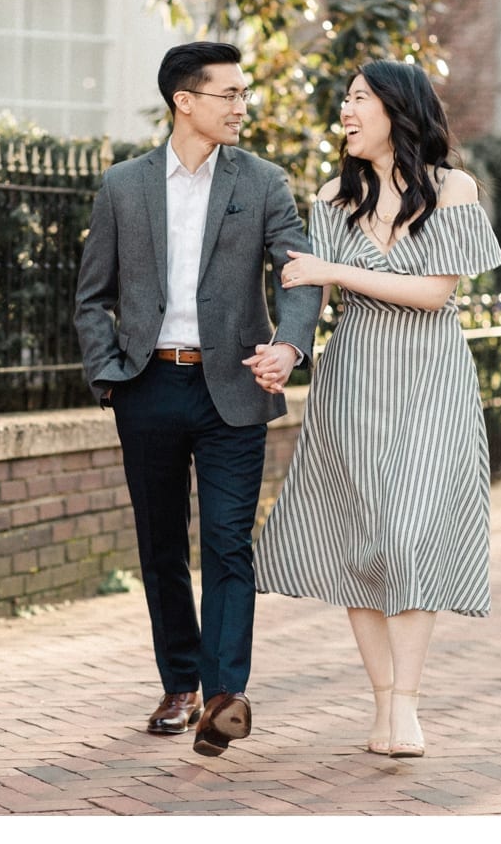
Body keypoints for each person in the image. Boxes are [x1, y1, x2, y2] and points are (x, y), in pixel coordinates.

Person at [74, 41, 321, 757]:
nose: (243, 107)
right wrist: (109, 374)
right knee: (159, 546)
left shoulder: (265, 182)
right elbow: (92, 296)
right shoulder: (124, 186)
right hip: (147, 385)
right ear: (186, 101)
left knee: (225, 544)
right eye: (230, 94)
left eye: (245, 95)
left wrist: (290, 345)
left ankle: (224, 697)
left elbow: (297, 273)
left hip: (233, 389)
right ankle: (179, 684)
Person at [254, 59, 501, 759]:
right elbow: (307, 297)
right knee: (363, 540)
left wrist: (333, 268)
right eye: (344, 99)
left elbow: (432, 294)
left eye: (359, 98)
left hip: (430, 376)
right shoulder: (334, 195)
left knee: (408, 534)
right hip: (355, 376)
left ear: (397, 108)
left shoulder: (455, 189)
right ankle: (385, 706)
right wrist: (286, 348)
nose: (345, 110)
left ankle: (411, 703)